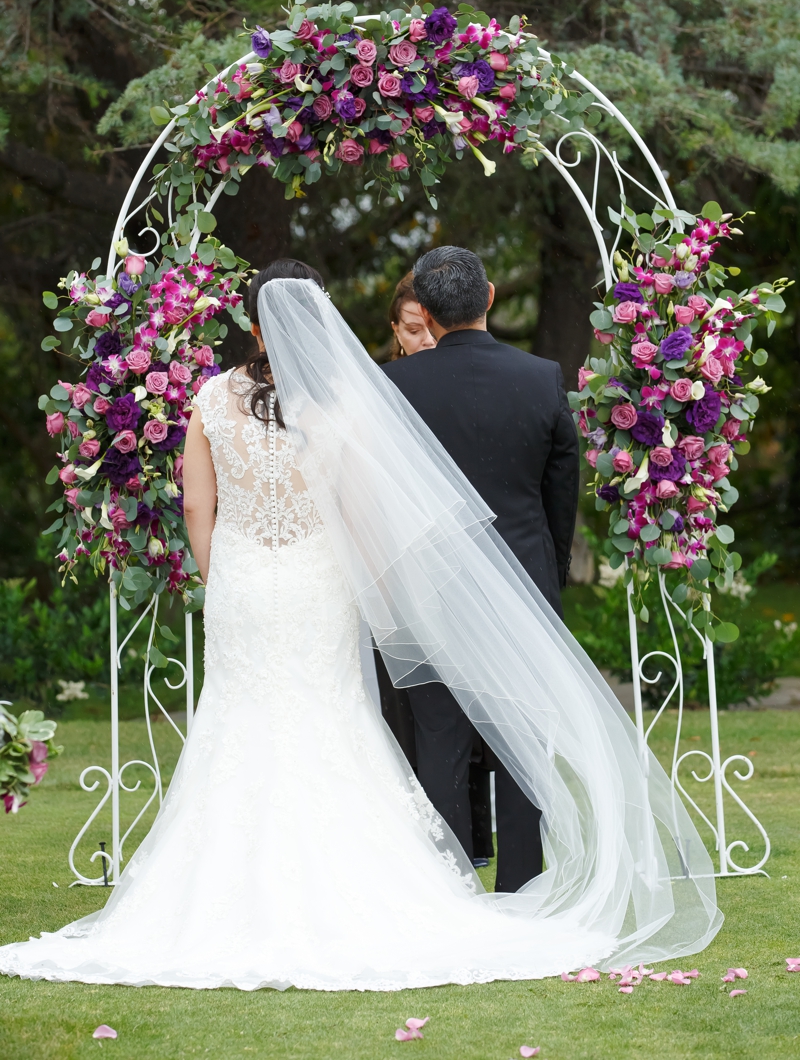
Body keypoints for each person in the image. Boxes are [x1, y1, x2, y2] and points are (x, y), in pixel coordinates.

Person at [0, 260, 721, 992]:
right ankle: (375, 882)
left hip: (243, 585)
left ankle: (223, 893)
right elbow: (362, 515)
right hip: (320, 583)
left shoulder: (212, 398)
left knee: (238, 726)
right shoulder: (342, 404)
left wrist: (223, 577)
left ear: (251, 324)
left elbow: (195, 507)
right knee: (332, 721)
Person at [384, 246, 579, 893]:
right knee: (522, 741)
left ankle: (449, 889)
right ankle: (522, 884)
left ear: (427, 312)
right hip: (523, 585)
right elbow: (560, 493)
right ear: (489, 296)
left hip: (429, 590)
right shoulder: (541, 377)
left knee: (439, 739)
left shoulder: (396, 387)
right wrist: (548, 571)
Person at [378, 270, 494, 869]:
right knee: (419, 719)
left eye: (431, 329)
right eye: (414, 330)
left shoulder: (464, 384)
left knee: (471, 718)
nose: (426, 341)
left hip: (471, 573)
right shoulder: (384, 389)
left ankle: (474, 842)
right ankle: (426, 848)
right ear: (397, 331)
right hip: (404, 579)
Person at [388, 271, 436, 358]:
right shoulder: (384, 371)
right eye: (414, 331)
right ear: (397, 332)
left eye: (436, 330)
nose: (429, 340)